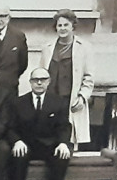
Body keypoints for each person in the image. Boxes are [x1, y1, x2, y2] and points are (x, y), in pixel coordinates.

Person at [7, 67, 72, 180]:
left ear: (48, 82)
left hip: (49, 144)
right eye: (35, 80)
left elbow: (64, 126)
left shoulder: (58, 102)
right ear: (30, 82)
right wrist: (17, 141)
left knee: (62, 155)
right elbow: (10, 127)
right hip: (26, 143)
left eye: (43, 80)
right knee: (19, 155)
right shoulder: (18, 102)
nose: (39, 83)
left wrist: (63, 143)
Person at [38, 9, 94, 146]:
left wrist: (82, 97)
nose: (62, 28)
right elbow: (41, 72)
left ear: (73, 26)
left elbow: (88, 77)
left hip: (70, 98)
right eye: (59, 25)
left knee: (69, 134)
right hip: (51, 97)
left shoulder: (84, 47)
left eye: (66, 25)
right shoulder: (48, 47)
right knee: (49, 132)